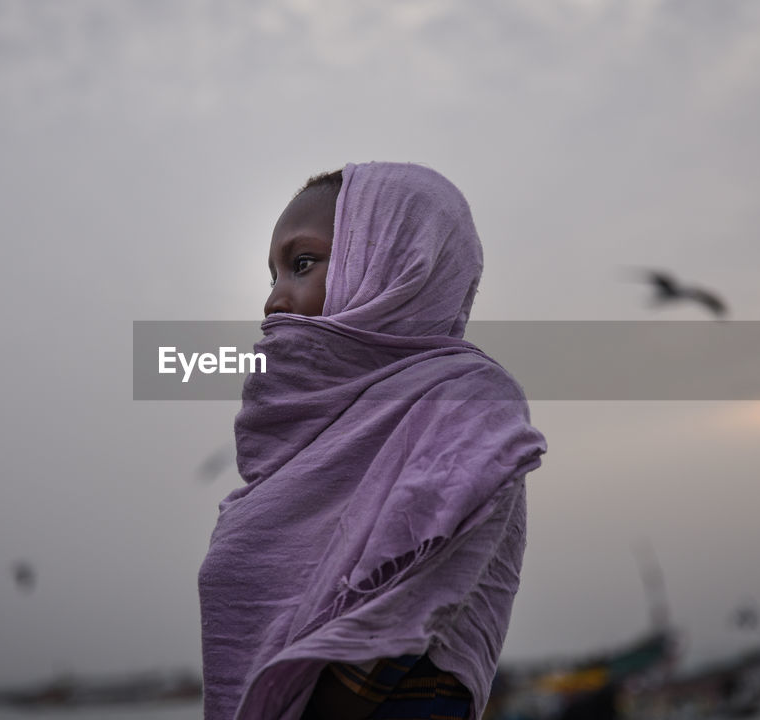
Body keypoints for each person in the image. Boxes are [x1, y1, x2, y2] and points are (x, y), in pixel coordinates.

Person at [198, 162, 547, 720]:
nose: (272, 301)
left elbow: (393, 625)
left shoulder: (463, 407)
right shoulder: (297, 448)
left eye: (302, 264)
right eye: (273, 275)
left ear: (394, 264)